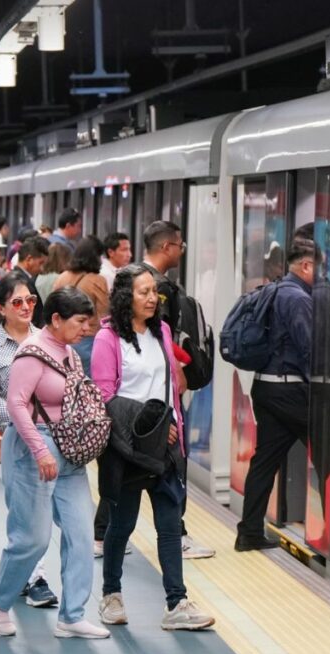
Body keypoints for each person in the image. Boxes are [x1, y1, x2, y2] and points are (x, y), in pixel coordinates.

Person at [0, 287, 108, 639]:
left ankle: (72, 615)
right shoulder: (30, 354)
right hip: (32, 451)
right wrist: (39, 450)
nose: (86, 329)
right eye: (80, 321)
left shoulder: (70, 354)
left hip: (68, 451)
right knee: (32, 539)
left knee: (81, 534)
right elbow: (17, 404)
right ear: (56, 319)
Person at [91, 264, 215, 630]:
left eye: (153, 292)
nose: (151, 298)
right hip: (127, 447)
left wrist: (173, 424)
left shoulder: (161, 330)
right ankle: (111, 595)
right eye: (143, 292)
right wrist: (152, 427)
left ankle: (176, 603)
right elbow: (105, 396)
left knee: (169, 524)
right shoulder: (107, 338)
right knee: (122, 524)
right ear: (125, 297)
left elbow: (170, 386)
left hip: (166, 446)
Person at [0, 274, 59, 608]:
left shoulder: (46, 339)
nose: (26, 307)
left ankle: (30, 574)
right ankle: (30, 576)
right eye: (17, 302)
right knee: (21, 507)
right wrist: (21, 419)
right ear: (0, 308)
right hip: (7, 434)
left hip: (48, 435)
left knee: (40, 507)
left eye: (31, 301)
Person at [234, 239, 315, 551]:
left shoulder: (273, 290)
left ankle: (249, 532)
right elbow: (308, 347)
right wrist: (319, 389)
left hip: (265, 387)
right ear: (306, 266)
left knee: (265, 461)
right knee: (327, 454)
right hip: (290, 390)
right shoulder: (298, 299)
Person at [142, 220, 214, 560]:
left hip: (137, 385)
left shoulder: (130, 277)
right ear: (167, 247)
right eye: (180, 245)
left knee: (127, 468)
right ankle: (177, 533)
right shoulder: (162, 288)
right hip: (162, 387)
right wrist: (180, 374)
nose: (182, 251)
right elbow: (165, 338)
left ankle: (103, 534)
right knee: (173, 461)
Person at [52, 236, 110, 374]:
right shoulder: (97, 281)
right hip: (87, 341)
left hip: (62, 340)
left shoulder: (62, 277)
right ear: (95, 257)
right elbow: (105, 315)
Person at [12, 236, 49, 327]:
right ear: (29, 259)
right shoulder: (23, 283)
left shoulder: (15, 278)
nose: (42, 269)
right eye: (40, 263)